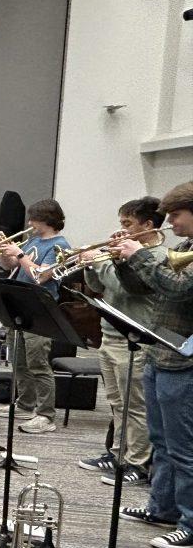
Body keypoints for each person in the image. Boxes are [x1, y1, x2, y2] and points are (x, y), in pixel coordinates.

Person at [111, 181, 193, 548]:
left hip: (184, 361)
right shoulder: (184, 248)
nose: (169, 222)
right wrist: (123, 262)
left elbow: (178, 289)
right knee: (160, 441)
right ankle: (161, 507)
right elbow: (148, 289)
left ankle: (190, 524)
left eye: (175, 215)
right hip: (159, 353)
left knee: (184, 449)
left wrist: (139, 254)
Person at [76, 198, 165, 485]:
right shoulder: (124, 255)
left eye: (128, 224)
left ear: (148, 225)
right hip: (111, 335)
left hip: (136, 340)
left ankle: (137, 464)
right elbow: (100, 288)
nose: (121, 230)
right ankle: (118, 454)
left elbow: (126, 287)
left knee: (135, 406)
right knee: (116, 403)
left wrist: (102, 263)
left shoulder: (157, 256)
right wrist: (90, 267)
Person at [0, 199, 71, 434]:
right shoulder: (33, 240)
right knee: (19, 361)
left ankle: (46, 415)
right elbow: (13, 268)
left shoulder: (60, 246)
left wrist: (19, 254)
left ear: (47, 220)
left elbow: (41, 276)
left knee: (38, 363)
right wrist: (5, 253)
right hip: (19, 305)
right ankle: (25, 404)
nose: (29, 223)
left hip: (40, 309)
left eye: (34, 219)